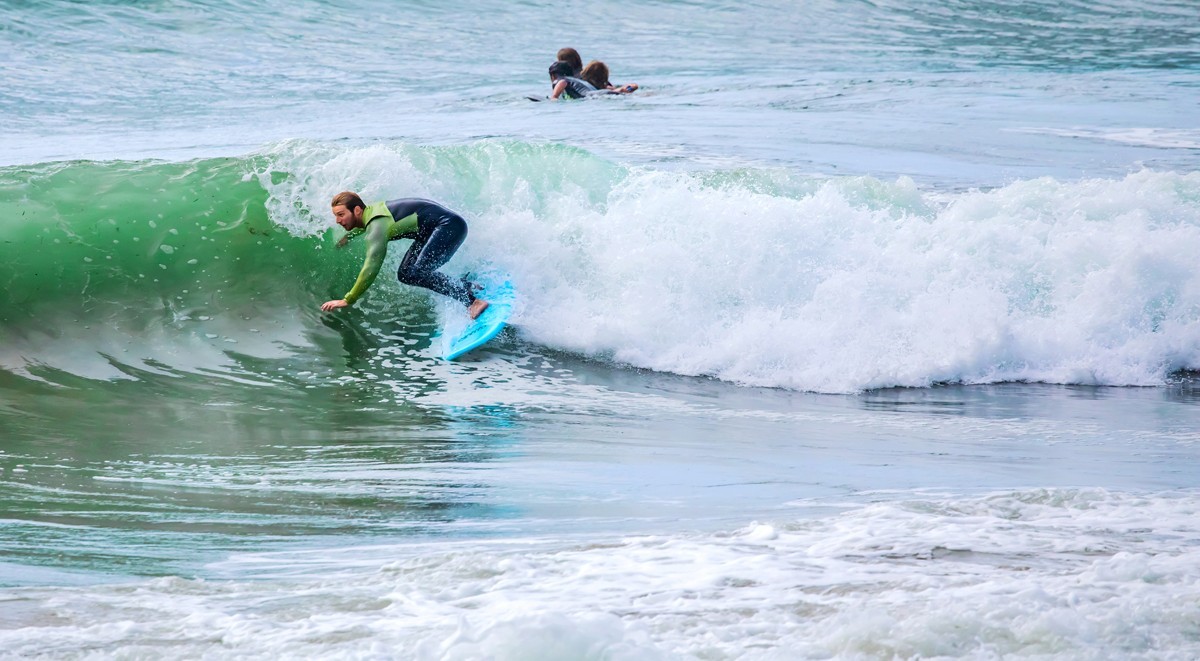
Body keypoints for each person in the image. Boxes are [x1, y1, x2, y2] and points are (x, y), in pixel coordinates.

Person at [321, 192, 489, 319]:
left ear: (357, 210)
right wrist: (348, 237)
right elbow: (365, 226)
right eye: (336, 215)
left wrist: (347, 299)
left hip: (449, 227)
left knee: (418, 272)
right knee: (406, 274)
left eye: (341, 214)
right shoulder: (371, 214)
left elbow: (371, 266)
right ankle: (464, 285)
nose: (337, 220)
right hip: (433, 231)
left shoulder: (376, 226)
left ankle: (473, 301)